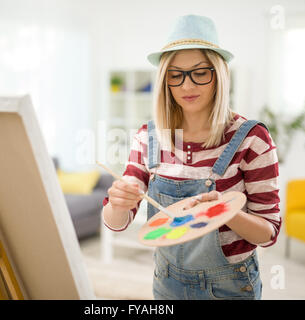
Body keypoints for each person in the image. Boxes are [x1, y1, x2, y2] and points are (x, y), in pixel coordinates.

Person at [101, 14, 281, 300]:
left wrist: (226, 213)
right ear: (164, 79)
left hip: (230, 287)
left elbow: (269, 232)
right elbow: (116, 221)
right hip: (166, 281)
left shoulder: (252, 139)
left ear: (218, 73)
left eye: (200, 72)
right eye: (176, 74)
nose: (187, 86)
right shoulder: (148, 137)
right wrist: (118, 203)